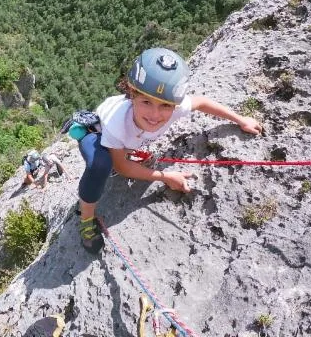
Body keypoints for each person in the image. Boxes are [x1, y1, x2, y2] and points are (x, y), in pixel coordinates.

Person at [76, 48, 262, 253]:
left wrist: (241, 120)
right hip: (96, 134)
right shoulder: (117, 122)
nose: (155, 114)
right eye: (146, 102)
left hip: (125, 142)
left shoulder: (177, 106)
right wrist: (165, 177)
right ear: (131, 93)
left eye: (165, 105)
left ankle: (124, 150)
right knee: (100, 164)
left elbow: (202, 102)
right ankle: (86, 219)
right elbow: (122, 168)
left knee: (120, 152)